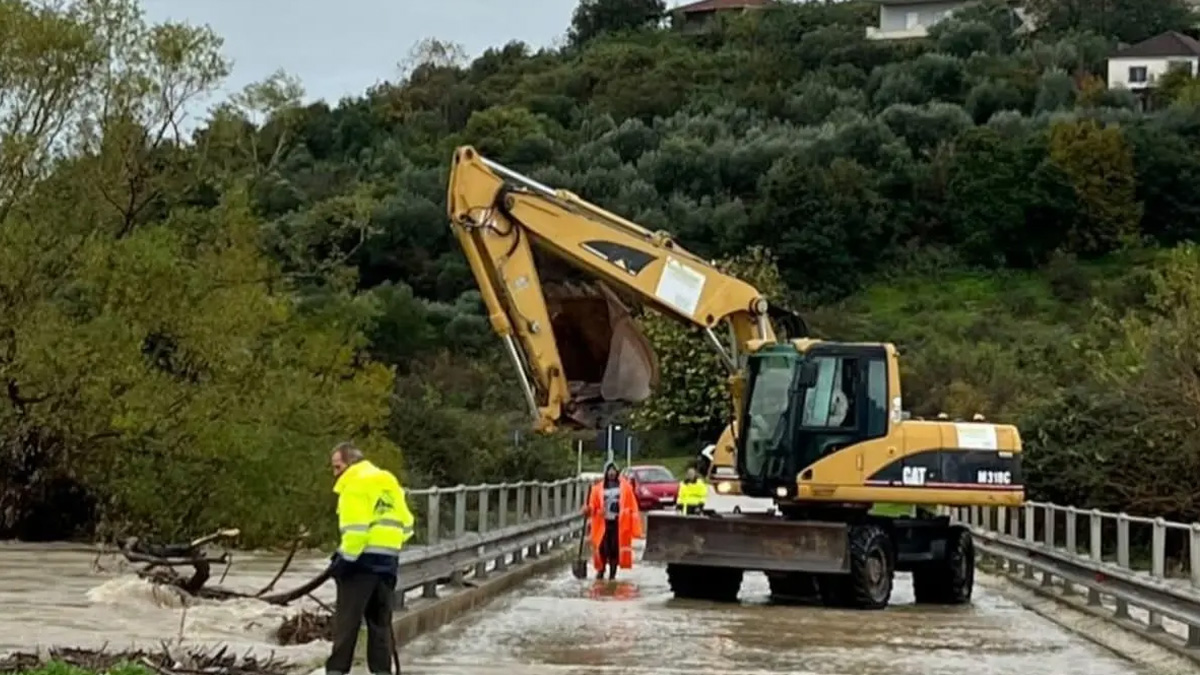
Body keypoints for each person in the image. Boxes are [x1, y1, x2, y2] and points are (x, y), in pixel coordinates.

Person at [325, 441, 415, 675]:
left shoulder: (353, 484)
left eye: (337, 467)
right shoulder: (388, 481)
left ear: (350, 463)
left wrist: (341, 562)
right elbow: (408, 525)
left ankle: (336, 671)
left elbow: (356, 533)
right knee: (380, 626)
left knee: (347, 625)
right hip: (387, 564)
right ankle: (381, 672)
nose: (335, 474)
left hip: (360, 565)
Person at [581, 461, 642, 580]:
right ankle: (601, 571)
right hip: (602, 524)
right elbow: (593, 506)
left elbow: (632, 507)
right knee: (602, 548)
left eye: (613, 470)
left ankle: (612, 575)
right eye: (609, 470)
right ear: (605, 472)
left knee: (615, 549)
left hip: (618, 524)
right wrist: (589, 510)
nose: (611, 473)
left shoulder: (625, 487)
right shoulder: (597, 489)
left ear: (617, 472)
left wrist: (624, 513)